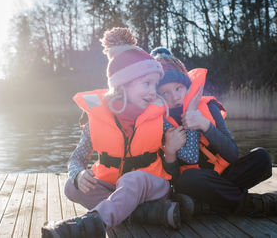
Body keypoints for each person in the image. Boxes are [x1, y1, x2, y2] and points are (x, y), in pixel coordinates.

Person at [42, 28, 194, 238]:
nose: (153, 92)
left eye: (154, 84)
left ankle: (89, 227)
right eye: (147, 83)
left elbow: (183, 163)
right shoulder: (97, 117)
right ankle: (145, 214)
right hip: (112, 186)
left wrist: (171, 150)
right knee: (71, 187)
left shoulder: (159, 116)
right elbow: (76, 158)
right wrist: (78, 174)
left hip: (153, 186)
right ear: (123, 85)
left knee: (132, 180)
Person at [152, 47, 277, 218]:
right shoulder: (158, 123)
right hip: (194, 184)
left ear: (186, 85)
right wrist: (169, 152)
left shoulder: (209, 107)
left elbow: (233, 154)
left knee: (262, 157)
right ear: (157, 96)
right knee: (188, 179)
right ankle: (267, 204)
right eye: (165, 93)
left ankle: (206, 206)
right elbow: (173, 178)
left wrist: (205, 125)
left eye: (178, 88)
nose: (174, 97)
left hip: (224, 177)